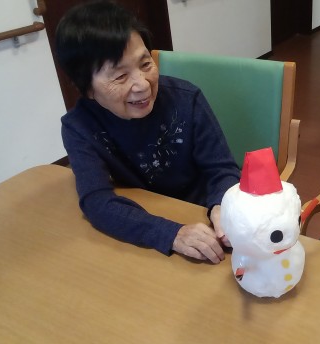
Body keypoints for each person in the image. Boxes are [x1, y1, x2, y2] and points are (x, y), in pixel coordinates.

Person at [56, 0, 240, 264]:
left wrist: (222, 206)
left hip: (203, 216)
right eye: (120, 76)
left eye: (145, 64)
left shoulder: (186, 100)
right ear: (86, 88)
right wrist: (171, 233)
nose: (142, 85)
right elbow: (96, 201)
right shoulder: (79, 127)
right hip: (147, 223)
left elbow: (221, 169)